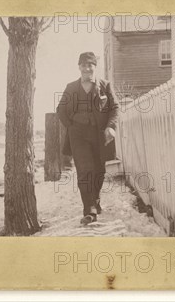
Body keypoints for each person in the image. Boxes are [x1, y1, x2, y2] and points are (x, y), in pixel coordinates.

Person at [56, 52, 119, 225]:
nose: (87, 68)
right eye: (83, 65)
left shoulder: (105, 85)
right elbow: (60, 109)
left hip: (100, 135)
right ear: (79, 67)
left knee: (99, 170)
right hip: (78, 135)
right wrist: (71, 125)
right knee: (85, 170)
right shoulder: (71, 87)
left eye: (90, 64)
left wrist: (110, 127)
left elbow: (115, 108)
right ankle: (89, 210)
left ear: (95, 67)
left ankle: (95, 200)